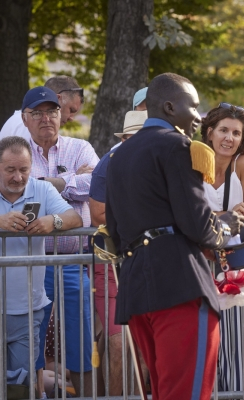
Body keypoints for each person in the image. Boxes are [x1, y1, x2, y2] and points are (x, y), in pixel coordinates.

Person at [105, 72, 244, 400]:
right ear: (169, 107)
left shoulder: (119, 154)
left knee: (164, 392)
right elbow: (197, 224)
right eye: (193, 106)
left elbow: (114, 228)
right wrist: (226, 228)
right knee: (186, 393)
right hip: (179, 284)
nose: (199, 116)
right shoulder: (180, 146)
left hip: (137, 285)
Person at [19, 86, 98, 397]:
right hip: (30, 261)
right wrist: (70, 186)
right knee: (31, 338)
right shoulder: (14, 149)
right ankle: (36, 394)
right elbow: (14, 188)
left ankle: (89, 397)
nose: (46, 118)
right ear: (25, 119)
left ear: (61, 115)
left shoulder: (80, 147)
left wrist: (51, 184)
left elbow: (96, 182)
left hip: (73, 261)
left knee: (80, 337)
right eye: (37, 113)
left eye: (52, 111)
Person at [0, 136, 81, 398]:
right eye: (10, 169)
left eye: (23, 169)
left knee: (22, 389)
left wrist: (53, 222)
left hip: (27, 310)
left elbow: (75, 217)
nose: (17, 177)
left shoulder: (43, 190)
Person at [199, 102, 244, 391]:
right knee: (204, 334)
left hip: (235, 260)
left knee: (238, 337)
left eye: (236, 133)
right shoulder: (193, 160)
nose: (229, 138)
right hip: (198, 259)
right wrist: (223, 216)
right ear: (209, 132)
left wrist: (209, 219)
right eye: (223, 130)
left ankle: (241, 392)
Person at [88, 110, 147, 395]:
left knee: (147, 343)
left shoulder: (161, 164)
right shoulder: (106, 165)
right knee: (117, 342)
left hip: (149, 261)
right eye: (133, 138)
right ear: (123, 139)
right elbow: (97, 213)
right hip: (112, 260)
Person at [0, 75, 84, 140]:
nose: (72, 118)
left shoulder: (21, 121)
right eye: (71, 110)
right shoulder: (29, 125)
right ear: (58, 99)